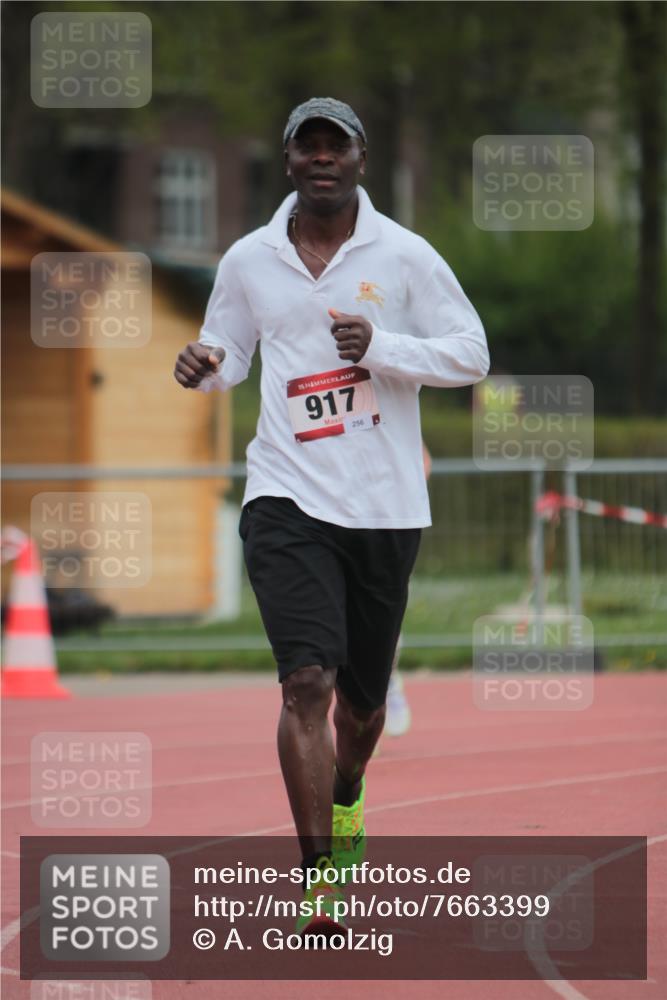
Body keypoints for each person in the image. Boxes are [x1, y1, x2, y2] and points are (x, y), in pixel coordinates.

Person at [174, 97, 489, 934]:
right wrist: (201, 365)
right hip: (286, 492)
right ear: (287, 160)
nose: (321, 159)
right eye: (306, 147)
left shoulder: (406, 255)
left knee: (362, 709)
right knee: (304, 682)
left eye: (335, 146)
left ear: (358, 158)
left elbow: (471, 352)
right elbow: (228, 354)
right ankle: (318, 878)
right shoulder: (248, 259)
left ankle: (347, 792)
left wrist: (380, 345)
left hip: (383, 504)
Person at [384, 441, 432, 737]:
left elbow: (423, 461)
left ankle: (386, 679)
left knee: (381, 619)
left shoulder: (387, 399)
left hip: (384, 523)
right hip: (328, 521)